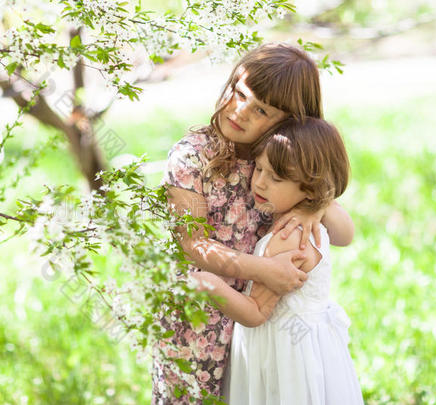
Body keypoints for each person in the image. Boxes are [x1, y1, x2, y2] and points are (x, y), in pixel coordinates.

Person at [152, 43, 354, 403]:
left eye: (260, 108)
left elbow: (345, 234)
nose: (240, 111)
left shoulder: (282, 162)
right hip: (201, 321)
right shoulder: (192, 156)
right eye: (239, 93)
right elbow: (191, 243)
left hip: (265, 334)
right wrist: (262, 269)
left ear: (290, 120)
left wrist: (316, 206)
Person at [192, 117, 364, 404]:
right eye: (259, 168)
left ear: (310, 189)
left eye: (276, 177)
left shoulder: (288, 237)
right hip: (309, 348)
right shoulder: (301, 223)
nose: (259, 182)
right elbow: (346, 235)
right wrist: (319, 205)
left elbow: (256, 312)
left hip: (285, 354)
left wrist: (207, 283)